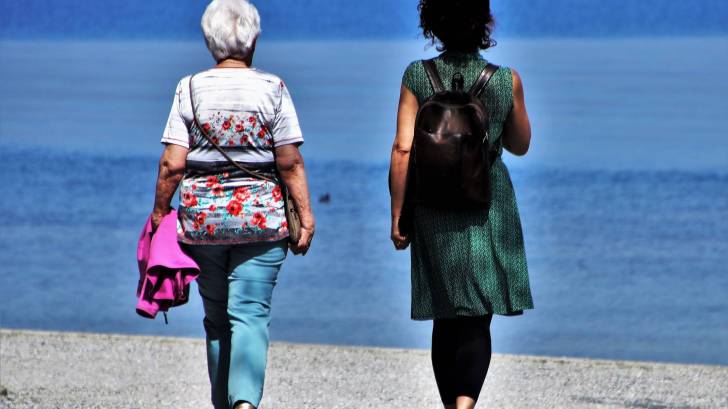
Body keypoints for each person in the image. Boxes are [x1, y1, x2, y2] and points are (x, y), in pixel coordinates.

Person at [150, 1, 315, 408]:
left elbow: (172, 164)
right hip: (263, 224)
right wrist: (306, 216)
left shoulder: (188, 88)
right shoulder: (273, 88)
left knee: (217, 319)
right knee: (251, 315)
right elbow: (289, 160)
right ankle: (245, 403)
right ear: (254, 39)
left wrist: (158, 215)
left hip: (202, 225)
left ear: (210, 42)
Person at [388, 1, 534, 408]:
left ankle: (452, 403)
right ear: (484, 23)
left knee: (444, 313)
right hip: (488, 204)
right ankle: (464, 405)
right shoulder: (506, 80)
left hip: (432, 204)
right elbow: (521, 146)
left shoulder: (418, 76)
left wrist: (397, 213)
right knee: (477, 316)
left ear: (431, 23)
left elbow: (402, 150)